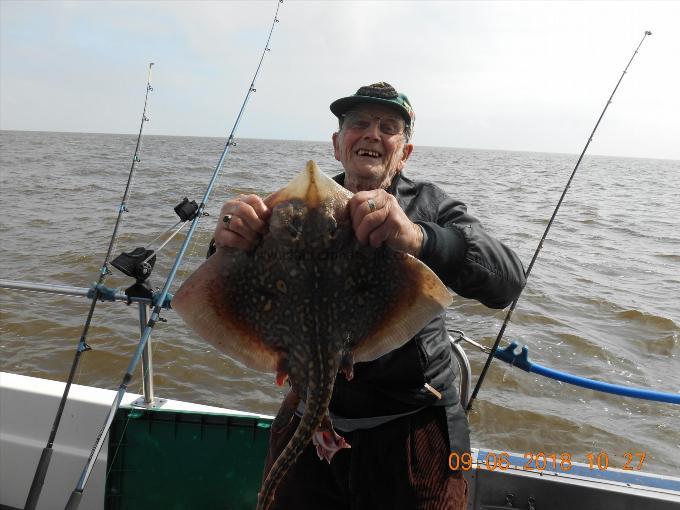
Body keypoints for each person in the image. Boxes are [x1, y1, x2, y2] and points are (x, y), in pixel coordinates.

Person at [212, 82, 526, 510]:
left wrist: (418, 237)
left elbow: (507, 281)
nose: (372, 133)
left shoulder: (430, 206)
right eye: (359, 123)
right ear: (338, 144)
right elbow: (227, 285)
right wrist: (229, 240)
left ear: (405, 152)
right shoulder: (292, 213)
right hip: (309, 413)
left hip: (413, 430)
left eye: (388, 127)